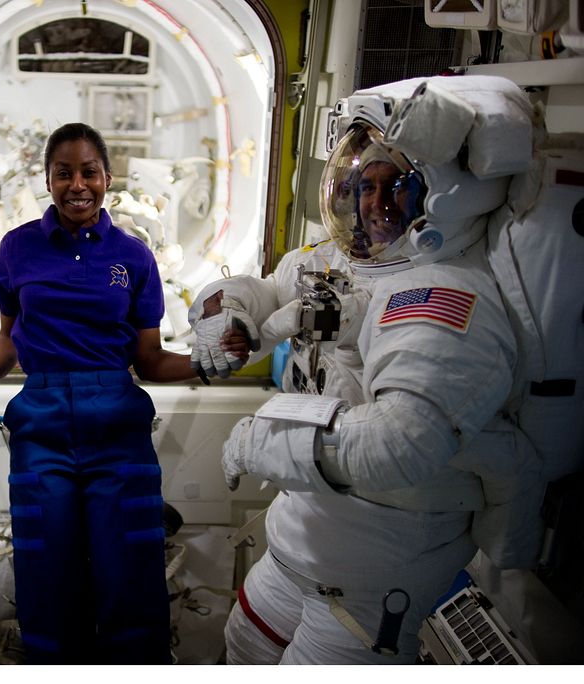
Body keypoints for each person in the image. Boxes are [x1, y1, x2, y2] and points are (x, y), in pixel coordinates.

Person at [189, 75, 540, 664]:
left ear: (440, 199)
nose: (374, 205)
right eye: (364, 186)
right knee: (242, 647)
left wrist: (261, 442)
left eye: (397, 188)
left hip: (374, 575)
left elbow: (401, 445)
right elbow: (263, 291)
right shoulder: (333, 261)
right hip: (297, 539)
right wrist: (222, 313)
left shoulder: (441, 296)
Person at [0, 122, 248, 664]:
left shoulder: (133, 257)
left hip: (117, 428)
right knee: (46, 568)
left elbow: (150, 359)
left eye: (89, 171)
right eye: (63, 173)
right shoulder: (18, 249)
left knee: (129, 567)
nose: (77, 184)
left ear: (107, 178)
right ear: (48, 179)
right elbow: (8, 337)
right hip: (41, 428)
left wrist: (209, 363)